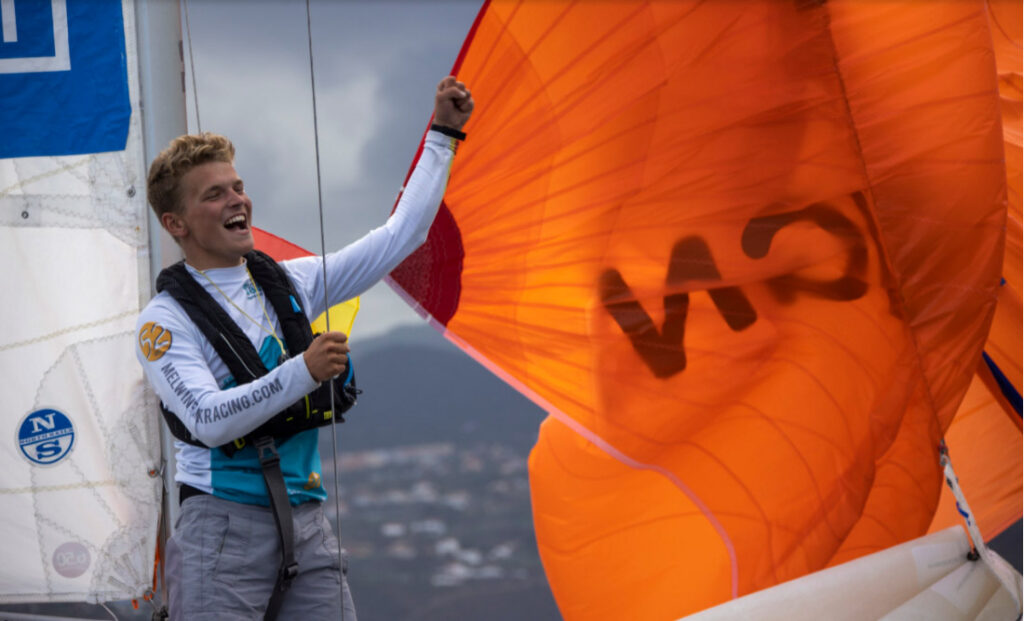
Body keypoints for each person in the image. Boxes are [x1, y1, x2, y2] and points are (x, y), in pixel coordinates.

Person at [135, 76, 473, 620]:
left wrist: (443, 135)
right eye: (214, 194)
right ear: (175, 223)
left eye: (237, 186)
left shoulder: (293, 282)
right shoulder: (164, 321)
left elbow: (400, 237)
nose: (236, 199)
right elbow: (207, 420)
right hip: (221, 531)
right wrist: (304, 371)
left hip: (307, 524)